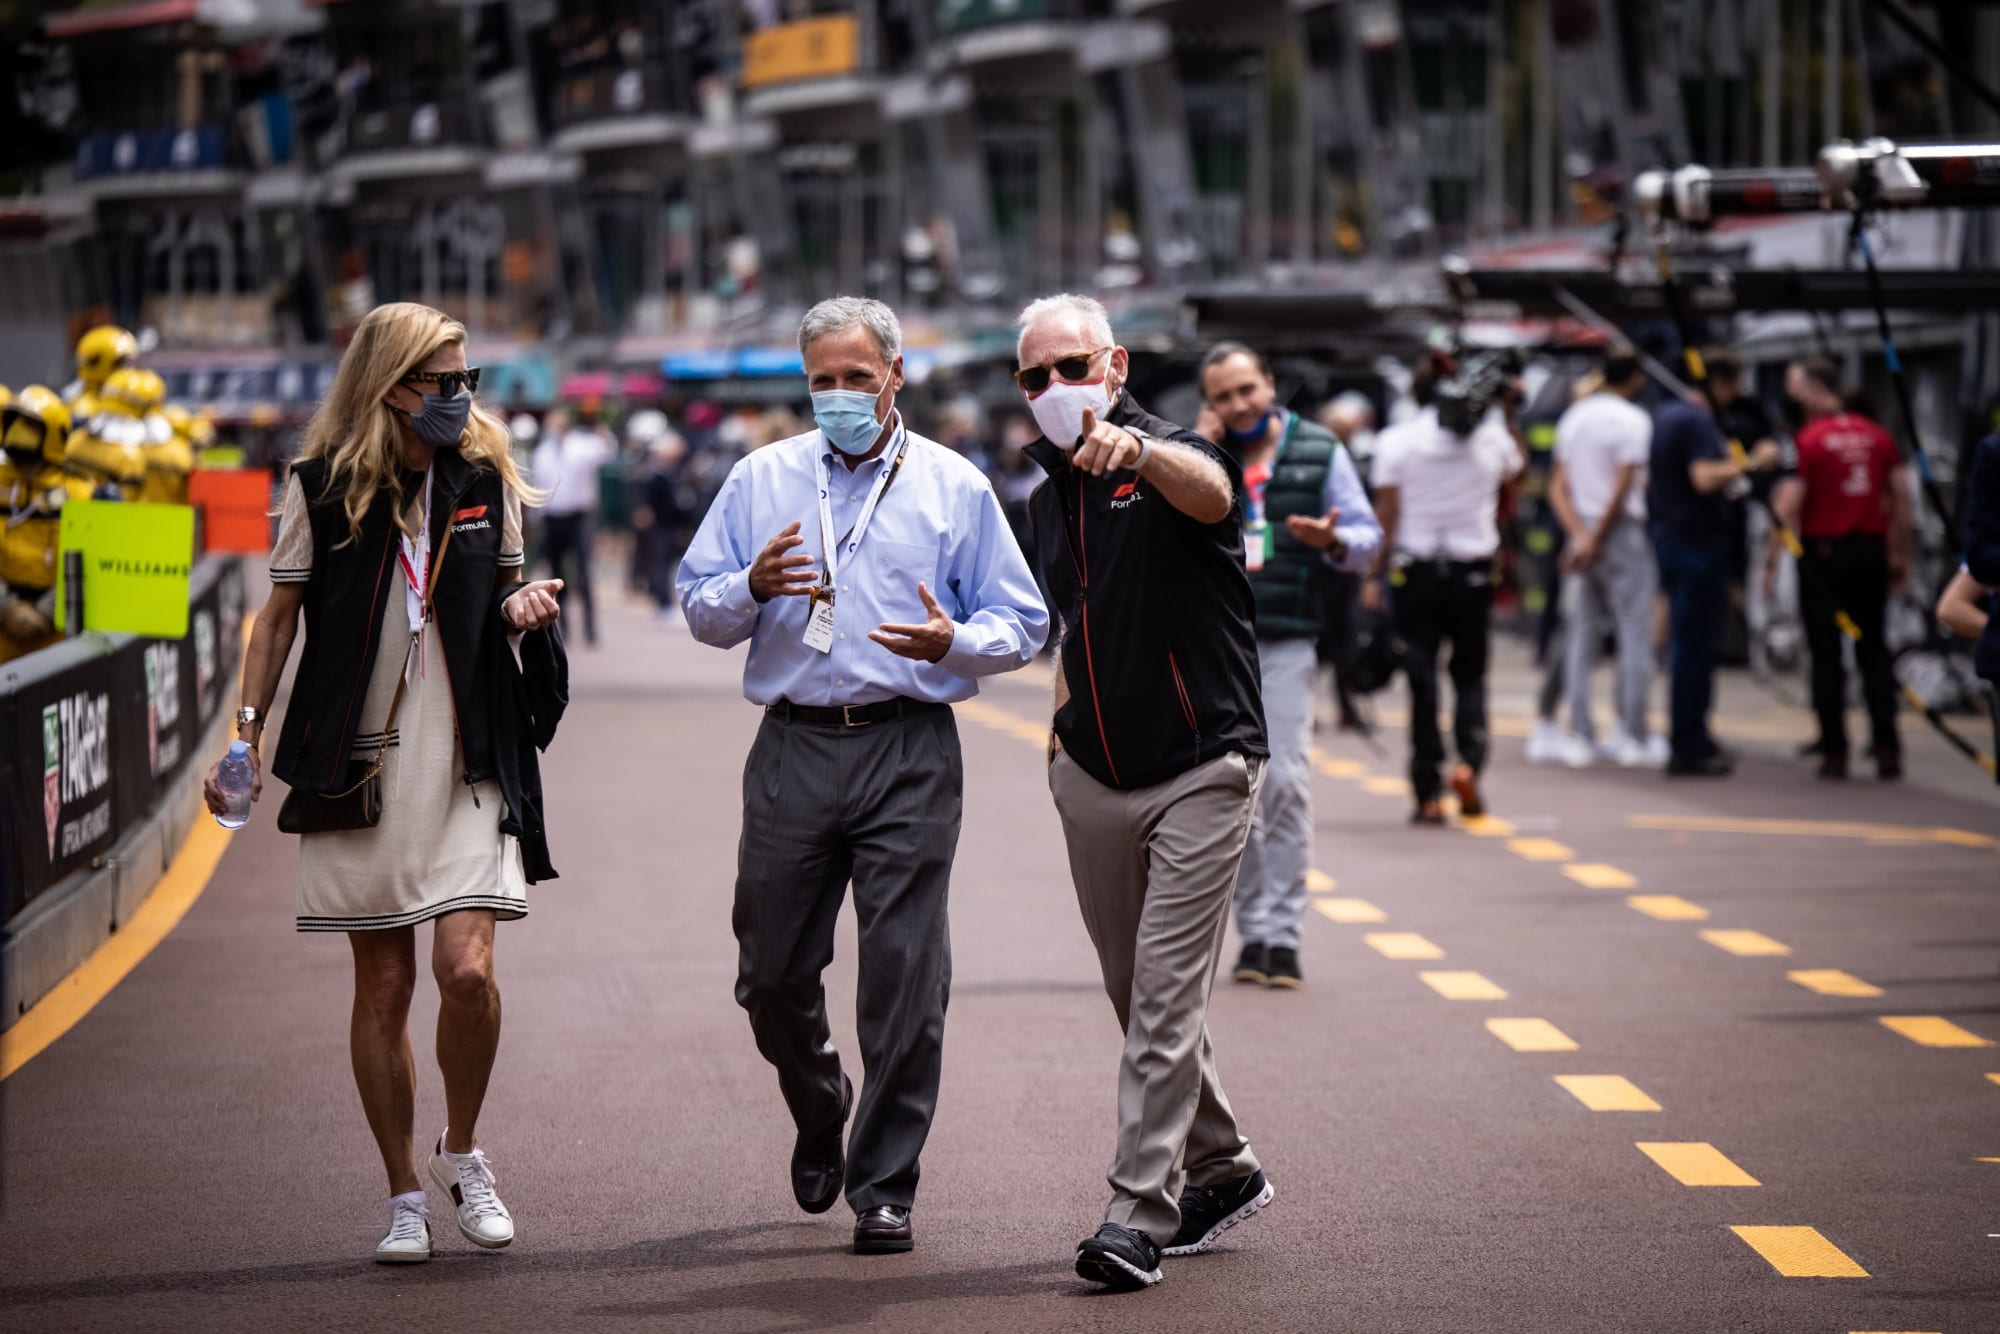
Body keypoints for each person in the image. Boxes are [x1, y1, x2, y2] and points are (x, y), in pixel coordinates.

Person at [677, 296, 1047, 1258]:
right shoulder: (761, 478)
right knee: (768, 973)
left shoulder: (954, 487)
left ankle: (884, 1183)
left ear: (894, 376)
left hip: (908, 746)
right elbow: (698, 605)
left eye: (855, 377)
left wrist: (955, 640)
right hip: (794, 744)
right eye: (820, 381)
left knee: (905, 977)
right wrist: (749, 589)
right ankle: (819, 1100)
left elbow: (1025, 620)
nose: (838, 396)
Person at [201, 302, 566, 1266]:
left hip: (470, 754)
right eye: (442, 382)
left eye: (466, 380)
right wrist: (245, 738)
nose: (459, 398)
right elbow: (276, 622)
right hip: (357, 760)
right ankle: (404, 1190)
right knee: (385, 984)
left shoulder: (485, 475)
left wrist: (525, 607)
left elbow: (503, 596)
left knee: (469, 972)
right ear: (390, 384)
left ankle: (462, 1151)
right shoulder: (320, 488)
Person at [1018, 293, 1272, 1291]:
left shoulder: (1162, 455)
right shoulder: (1046, 498)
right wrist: (1055, 738)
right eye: (1032, 375)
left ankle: (1136, 1210)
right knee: (1136, 995)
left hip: (1203, 765)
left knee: (1164, 995)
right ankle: (1225, 1164)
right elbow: (1068, 623)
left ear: (1113, 364)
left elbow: (1213, 493)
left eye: (1070, 365)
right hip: (1092, 772)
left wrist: (1141, 451)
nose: (1052, 388)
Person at [1195, 343, 1379, 991]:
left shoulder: (1320, 450)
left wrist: (1333, 541)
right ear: (1209, 403)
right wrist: (1195, 448)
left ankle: (1284, 935)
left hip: (1287, 643)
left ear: (1269, 385)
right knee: (1231, 790)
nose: (1239, 404)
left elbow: (1367, 538)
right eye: (1223, 396)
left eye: (1247, 389)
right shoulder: (1196, 455)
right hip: (1214, 648)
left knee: (1287, 784)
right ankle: (1252, 934)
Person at [1364, 358, 1528, 824]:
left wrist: (1373, 579)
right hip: (1472, 573)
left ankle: (1428, 789)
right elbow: (1517, 475)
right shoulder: (1491, 437)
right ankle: (1468, 764)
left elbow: (1388, 514)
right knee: (1470, 673)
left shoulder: (1397, 441)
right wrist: (1508, 413)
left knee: (1422, 678)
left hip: (1414, 572)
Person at [1771, 357, 1910, 780]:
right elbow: (1902, 499)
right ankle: (1886, 745)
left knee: (1826, 655)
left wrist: (1769, 552)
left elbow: (1789, 504)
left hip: (1824, 557)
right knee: (1874, 650)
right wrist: (1898, 555)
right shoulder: (1877, 435)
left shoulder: (1807, 440)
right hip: (1870, 552)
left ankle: (1835, 750)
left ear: (1814, 390)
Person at [1649, 357, 1782, 777]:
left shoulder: (1668, 416)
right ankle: (1688, 743)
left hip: (1673, 540)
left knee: (1689, 648)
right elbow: (1704, 478)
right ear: (1720, 384)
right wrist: (1753, 462)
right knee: (1695, 649)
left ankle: (1691, 736)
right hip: (1695, 547)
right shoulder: (1696, 421)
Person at [1547, 351, 1665, 768]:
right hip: (1620, 532)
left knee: (1581, 636)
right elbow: (1625, 480)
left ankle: (1580, 733)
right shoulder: (1633, 420)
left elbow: (1556, 487)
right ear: (1633, 378)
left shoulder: (1574, 417)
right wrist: (1597, 536)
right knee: (1634, 633)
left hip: (1579, 527)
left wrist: (1579, 536)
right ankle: (1632, 733)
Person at [0, 386, 92, 663]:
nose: (17, 431)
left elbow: (87, 561)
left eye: (29, 424)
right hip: (4, 628)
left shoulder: (79, 493)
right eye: (12, 422)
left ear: (54, 432)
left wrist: (46, 612)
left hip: (55, 636)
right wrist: (7, 608)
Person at [1317, 391, 1378, 732]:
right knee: (1318, 643)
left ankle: (1347, 706)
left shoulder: (1357, 465)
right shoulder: (1311, 463)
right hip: (1316, 569)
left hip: (1345, 566)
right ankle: (1309, 708)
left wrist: (1369, 576)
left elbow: (1366, 524)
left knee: (1346, 639)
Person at [532, 406, 613, 646]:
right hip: (553, 517)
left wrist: (601, 431)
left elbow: (604, 452)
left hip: (578, 516)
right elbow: (539, 486)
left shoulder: (583, 445)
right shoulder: (543, 452)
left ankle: (590, 628)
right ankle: (562, 627)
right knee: (557, 575)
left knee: (584, 573)